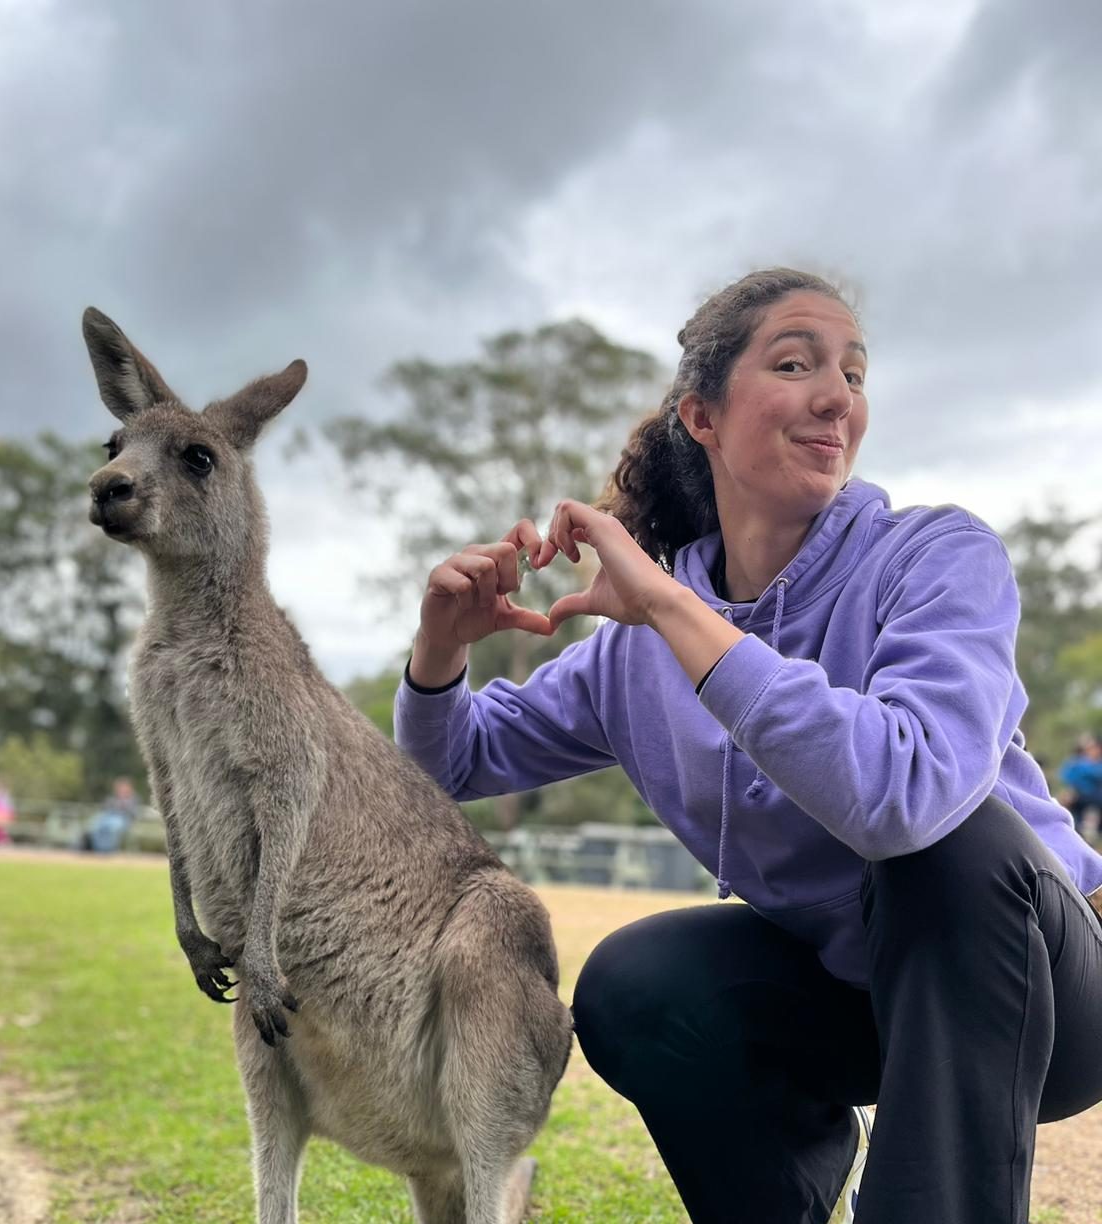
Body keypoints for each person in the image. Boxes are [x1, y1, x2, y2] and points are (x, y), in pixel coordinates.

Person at [393, 268, 1102, 1224]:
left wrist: (674, 611)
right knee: (641, 984)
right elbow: (451, 766)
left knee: (948, 846)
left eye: (853, 373)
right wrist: (440, 647)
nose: (837, 396)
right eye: (796, 362)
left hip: (1042, 989)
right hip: (858, 997)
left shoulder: (936, 557)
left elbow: (909, 796)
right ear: (704, 417)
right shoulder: (637, 647)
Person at [1058, 734, 1102, 840]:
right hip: (1079, 800)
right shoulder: (1077, 763)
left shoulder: (1093, 765)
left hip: (1095, 800)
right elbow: (1067, 778)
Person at [82, 776, 139, 853]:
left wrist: (124, 805)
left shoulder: (133, 799)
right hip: (109, 817)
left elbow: (134, 814)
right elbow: (105, 807)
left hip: (123, 819)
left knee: (112, 827)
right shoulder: (113, 798)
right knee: (96, 825)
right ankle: (96, 848)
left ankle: (107, 850)